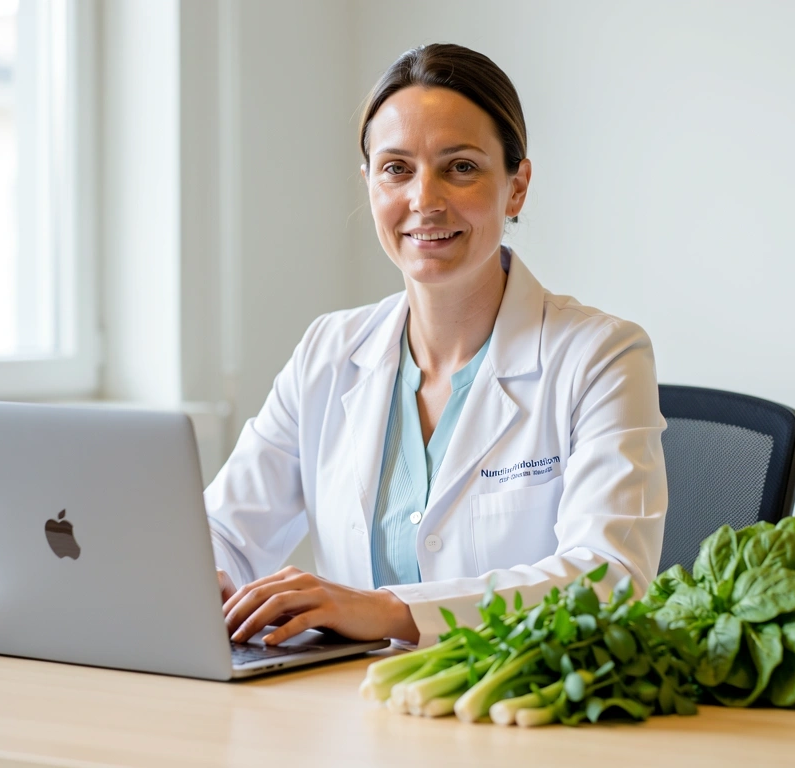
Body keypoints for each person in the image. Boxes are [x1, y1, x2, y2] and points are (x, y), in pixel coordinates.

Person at [208, 43, 667, 649]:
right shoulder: (329, 351)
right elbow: (224, 530)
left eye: (461, 167)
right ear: (370, 184)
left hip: (512, 698)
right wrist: (200, 580)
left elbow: (608, 578)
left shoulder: (600, 356)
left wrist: (390, 611)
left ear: (517, 187)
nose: (424, 199)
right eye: (396, 169)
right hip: (339, 696)